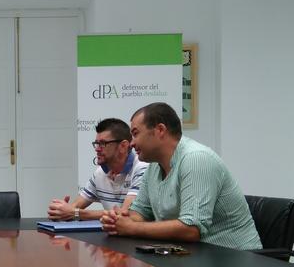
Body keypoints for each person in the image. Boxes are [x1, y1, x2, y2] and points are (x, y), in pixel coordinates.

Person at [101, 103, 261, 250]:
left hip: (234, 262)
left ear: (160, 130)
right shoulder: (154, 167)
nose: (131, 143)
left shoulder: (197, 159)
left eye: (135, 134)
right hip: (193, 256)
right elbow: (140, 212)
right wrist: (118, 221)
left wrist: (131, 227)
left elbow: (192, 229)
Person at [47, 117, 148, 221]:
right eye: (97, 143)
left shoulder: (142, 169)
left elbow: (125, 214)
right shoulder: (100, 173)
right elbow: (74, 208)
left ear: (123, 146)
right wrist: (60, 212)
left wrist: (76, 213)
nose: (97, 149)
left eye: (103, 144)